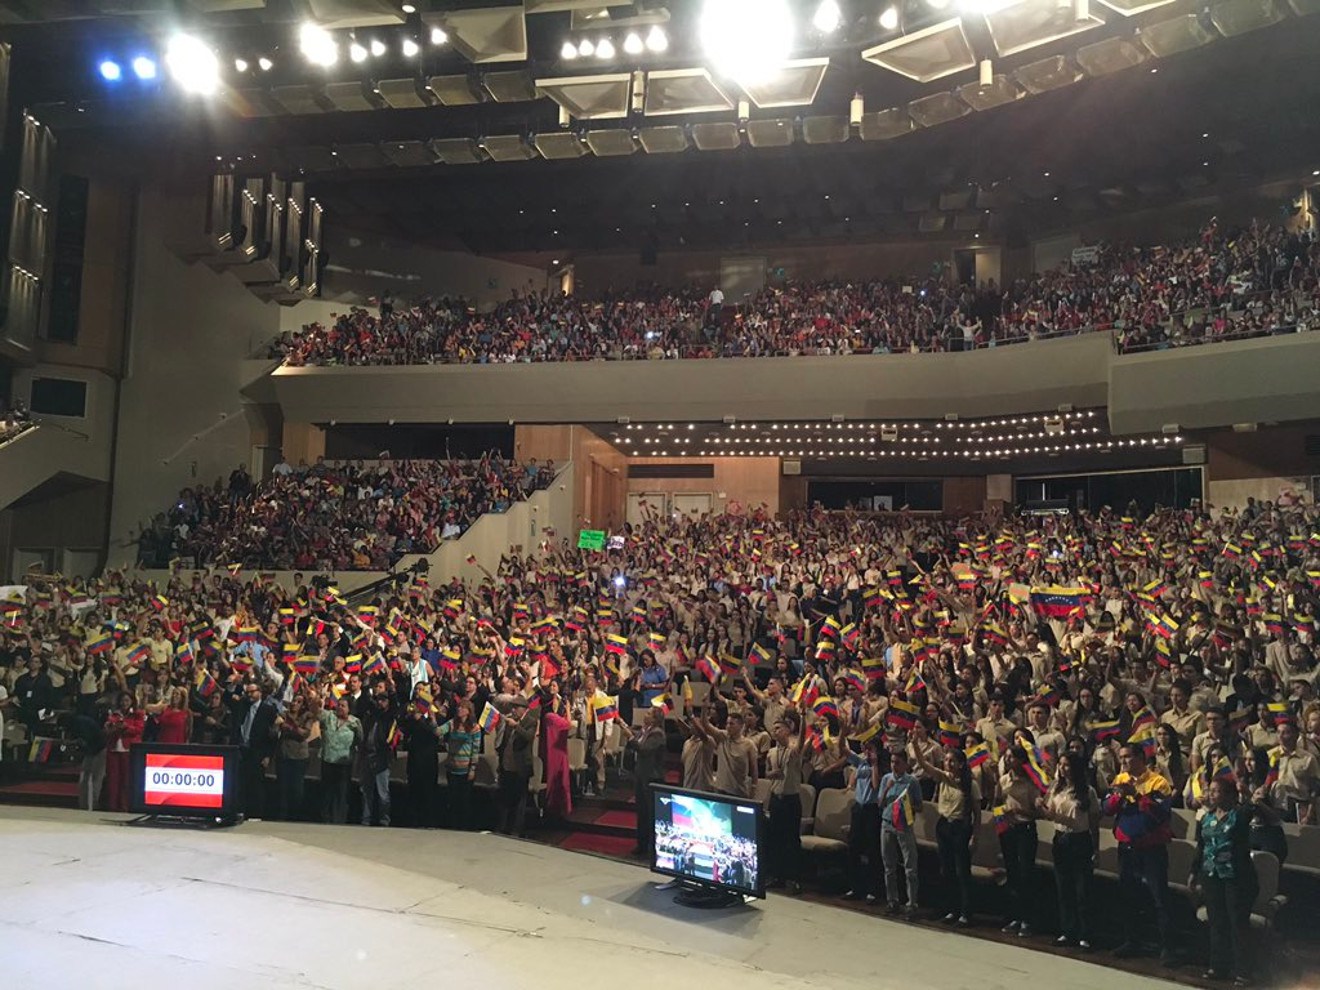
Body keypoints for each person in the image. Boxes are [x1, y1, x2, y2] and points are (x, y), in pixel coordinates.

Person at [1104, 742, 1175, 963]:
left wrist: (1135, 794)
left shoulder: (1158, 782)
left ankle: (1167, 947)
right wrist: (1119, 796)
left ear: (1141, 758)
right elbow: (1107, 809)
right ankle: (1132, 941)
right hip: (1127, 848)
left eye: (1127, 757)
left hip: (1151, 849)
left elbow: (1160, 813)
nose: (1123, 761)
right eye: (1121, 757)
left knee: (1159, 898)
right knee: (1129, 896)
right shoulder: (1120, 779)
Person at [1190, 777, 1257, 986]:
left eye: (1216, 791)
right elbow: (1201, 846)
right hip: (1212, 875)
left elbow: (1252, 807)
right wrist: (1194, 871)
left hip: (1236, 877)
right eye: (1210, 790)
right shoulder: (1206, 817)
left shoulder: (1239, 816)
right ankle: (1218, 966)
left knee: (1237, 922)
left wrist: (1246, 793)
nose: (1211, 794)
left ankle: (1243, 971)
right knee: (1217, 921)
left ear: (1228, 795)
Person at [912, 739, 979, 927]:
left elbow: (977, 813)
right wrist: (915, 745)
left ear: (961, 764)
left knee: (961, 871)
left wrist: (975, 835)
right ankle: (951, 909)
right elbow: (924, 765)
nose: (948, 764)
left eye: (952, 761)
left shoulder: (970, 784)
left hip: (961, 827)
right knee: (946, 870)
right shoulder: (943, 777)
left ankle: (966, 913)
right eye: (946, 760)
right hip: (944, 826)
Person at [1039, 751, 1099, 949]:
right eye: (1061, 765)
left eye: (1066, 765)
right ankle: (1067, 931)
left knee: (1082, 890)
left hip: (1080, 839)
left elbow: (1093, 822)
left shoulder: (1087, 791)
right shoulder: (1056, 788)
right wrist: (1041, 806)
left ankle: (1086, 934)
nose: (1063, 769)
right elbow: (1050, 814)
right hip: (1061, 838)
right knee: (1063, 888)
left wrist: (1096, 848)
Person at [997, 745, 1041, 936]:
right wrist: (1001, 814)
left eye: (1011, 757)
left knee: (1025, 875)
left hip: (1025, 829)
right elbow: (997, 803)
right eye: (1006, 757)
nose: (1007, 760)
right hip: (1008, 829)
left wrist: (1019, 810)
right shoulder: (1003, 780)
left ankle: (1027, 919)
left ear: (1021, 760)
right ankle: (1014, 916)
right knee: (1012, 873)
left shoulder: (1030, 783)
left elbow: (1037, 812)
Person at [764, 711, 807, 894]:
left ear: (788, 731)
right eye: (774, 729)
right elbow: (766, 773)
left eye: (779, 728)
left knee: (791, 840)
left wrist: (803, 719)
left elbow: (802, 738)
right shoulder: (771, 752)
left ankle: (793, 878)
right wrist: (771, 774)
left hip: (790, 799)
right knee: (776, 838)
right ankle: (777, 876)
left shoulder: (793, 750)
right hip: (776, 798)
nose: (776, 731)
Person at [877, 746, 922, 916]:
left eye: (897, 763)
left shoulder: (912, 782)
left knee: (910, 866)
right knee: (889, 865)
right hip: (887, 824)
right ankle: (892, 900)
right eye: (892, 762)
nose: (894, 766)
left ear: (905, 764)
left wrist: (908, 804)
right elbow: (879, 803)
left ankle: (912, 903)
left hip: (904, 825)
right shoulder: (886, 779)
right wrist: (887, 789)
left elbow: (920, 806)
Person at [619, 707, 667, 857]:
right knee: (641, 811)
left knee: (650, 812)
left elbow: (643, 749)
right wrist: (623, 726)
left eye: (648, 713)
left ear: (655, 719)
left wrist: (630, 737)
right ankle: (641, 844)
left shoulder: (657, 733)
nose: (645, 715)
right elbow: (635, 739)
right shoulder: (645, 731)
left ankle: (652, 846)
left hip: (652, 777)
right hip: (641, 775)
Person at [228, 678, 278, 819]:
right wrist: (232, 685)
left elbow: (273, 736)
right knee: (240, 783)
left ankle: (255, 814)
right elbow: (227, 699)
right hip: (242, 750)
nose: (249, 695)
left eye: (252, 692)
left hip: (258, 752)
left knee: (256, 785)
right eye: (247, 692)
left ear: (259, 692)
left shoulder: (268, 710)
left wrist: (268, 755)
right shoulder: (243, 706)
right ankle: (240, 812)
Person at [843, 737, 883, 903]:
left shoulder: (882, 766)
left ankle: (873, 890)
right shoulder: (860, 762)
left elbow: (875, 785)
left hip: (872, 810)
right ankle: (855, 887)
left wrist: (874, 764)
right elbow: (844, 751)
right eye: (866, 748)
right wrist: (843, 732)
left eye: (870, 749)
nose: (867, 752)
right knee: (853, 847)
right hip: (859, 808)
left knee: (872, 850)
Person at [495, 696, 539, 837]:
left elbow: (528, 737)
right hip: (507, 764)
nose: (513, 710)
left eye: (516, 708)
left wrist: (515, 726)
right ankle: (502, 826)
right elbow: (504, 741)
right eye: (512, 707)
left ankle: (516, 829)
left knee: (520, 800)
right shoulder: (509, 720)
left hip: (521, 766)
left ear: (524, 709)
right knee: (505, 797)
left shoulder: (531, 721)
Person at [317, 695, 362, 824]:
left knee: (341, 793)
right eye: (339, 705)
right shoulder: (329, 716)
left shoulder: (355, 722)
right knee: (326, 792)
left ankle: (339, 820)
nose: (340, 707)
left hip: (344, 763)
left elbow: (360, 739)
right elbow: (316, 711)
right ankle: (325, 819)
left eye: (343, 706)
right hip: (328, 760)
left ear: (349, 708)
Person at [438, 700, 481, 830]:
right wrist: (433, 719)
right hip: (452, 766)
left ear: (468, 711)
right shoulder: (452, 723)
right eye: (458, 707)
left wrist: (472, 768)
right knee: (452, 798)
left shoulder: (474, 727)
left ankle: (464, 826)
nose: (459, 710)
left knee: (464, 800)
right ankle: (453, 825)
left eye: (463, 708)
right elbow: (439, 731)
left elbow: (475, 749)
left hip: (466, 768)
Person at [358, 690, 397, 826]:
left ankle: (384, 820)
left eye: (383, 700)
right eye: (378, 700)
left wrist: (392, 691)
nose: (380, 703)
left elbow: (394, 709)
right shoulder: (371, 717)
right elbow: (366, 701)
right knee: (366, 790)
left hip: (381, 757)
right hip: (368, 755)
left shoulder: (389, 717)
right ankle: (366, 818)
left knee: (383, 792)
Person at [274, 693, 316, 821]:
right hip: (283, 755)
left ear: (303, 705)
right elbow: (274, 730)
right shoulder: (284, 714)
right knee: (282, 788)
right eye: (293, 701)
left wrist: (289, 727)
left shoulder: (307, 716)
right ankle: (281, 816)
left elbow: (304, 734)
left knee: (296, 788)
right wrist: (277, 725)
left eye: (298, 702)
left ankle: (295, 816)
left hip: (299, 757)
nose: (294, 704)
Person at [700, 709, 759, 799]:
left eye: (731, 724)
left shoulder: (749, 744)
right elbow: (705, 724)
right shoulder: (723, 737)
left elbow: (754, 768)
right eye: (727, 723)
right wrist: (704, 708)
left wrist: (754, 788)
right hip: (720, 789)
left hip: (739, 791)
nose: (728, 726)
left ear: (741, 726)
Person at [103, 692, 145, 812]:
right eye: (122, 700)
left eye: (127, 700)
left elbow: (139, 729)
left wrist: (125, 727)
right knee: (113, 779)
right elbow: (108, 729)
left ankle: (124, 805)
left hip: (128, 749)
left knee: (126, 779)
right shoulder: (114, 714)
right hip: (114, 749)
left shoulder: (137, 714)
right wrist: (111, 727)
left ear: (132, 701)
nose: (124, 703)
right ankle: (112, 805)